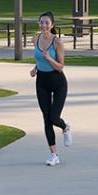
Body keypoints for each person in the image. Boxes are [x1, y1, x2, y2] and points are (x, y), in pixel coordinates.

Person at [31, 11, 72, 166]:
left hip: (58, 82)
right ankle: (54, 154)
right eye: (41, 22)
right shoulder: (35, 39)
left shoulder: (57, 42)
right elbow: (39, 58)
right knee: (46, 118)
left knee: (54, 118)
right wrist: (35, 67)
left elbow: (61, 66)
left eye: (47, 23)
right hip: (41, 82)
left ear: (52, 25)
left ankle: (65, 126)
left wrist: (49, 58)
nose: (44, 25)